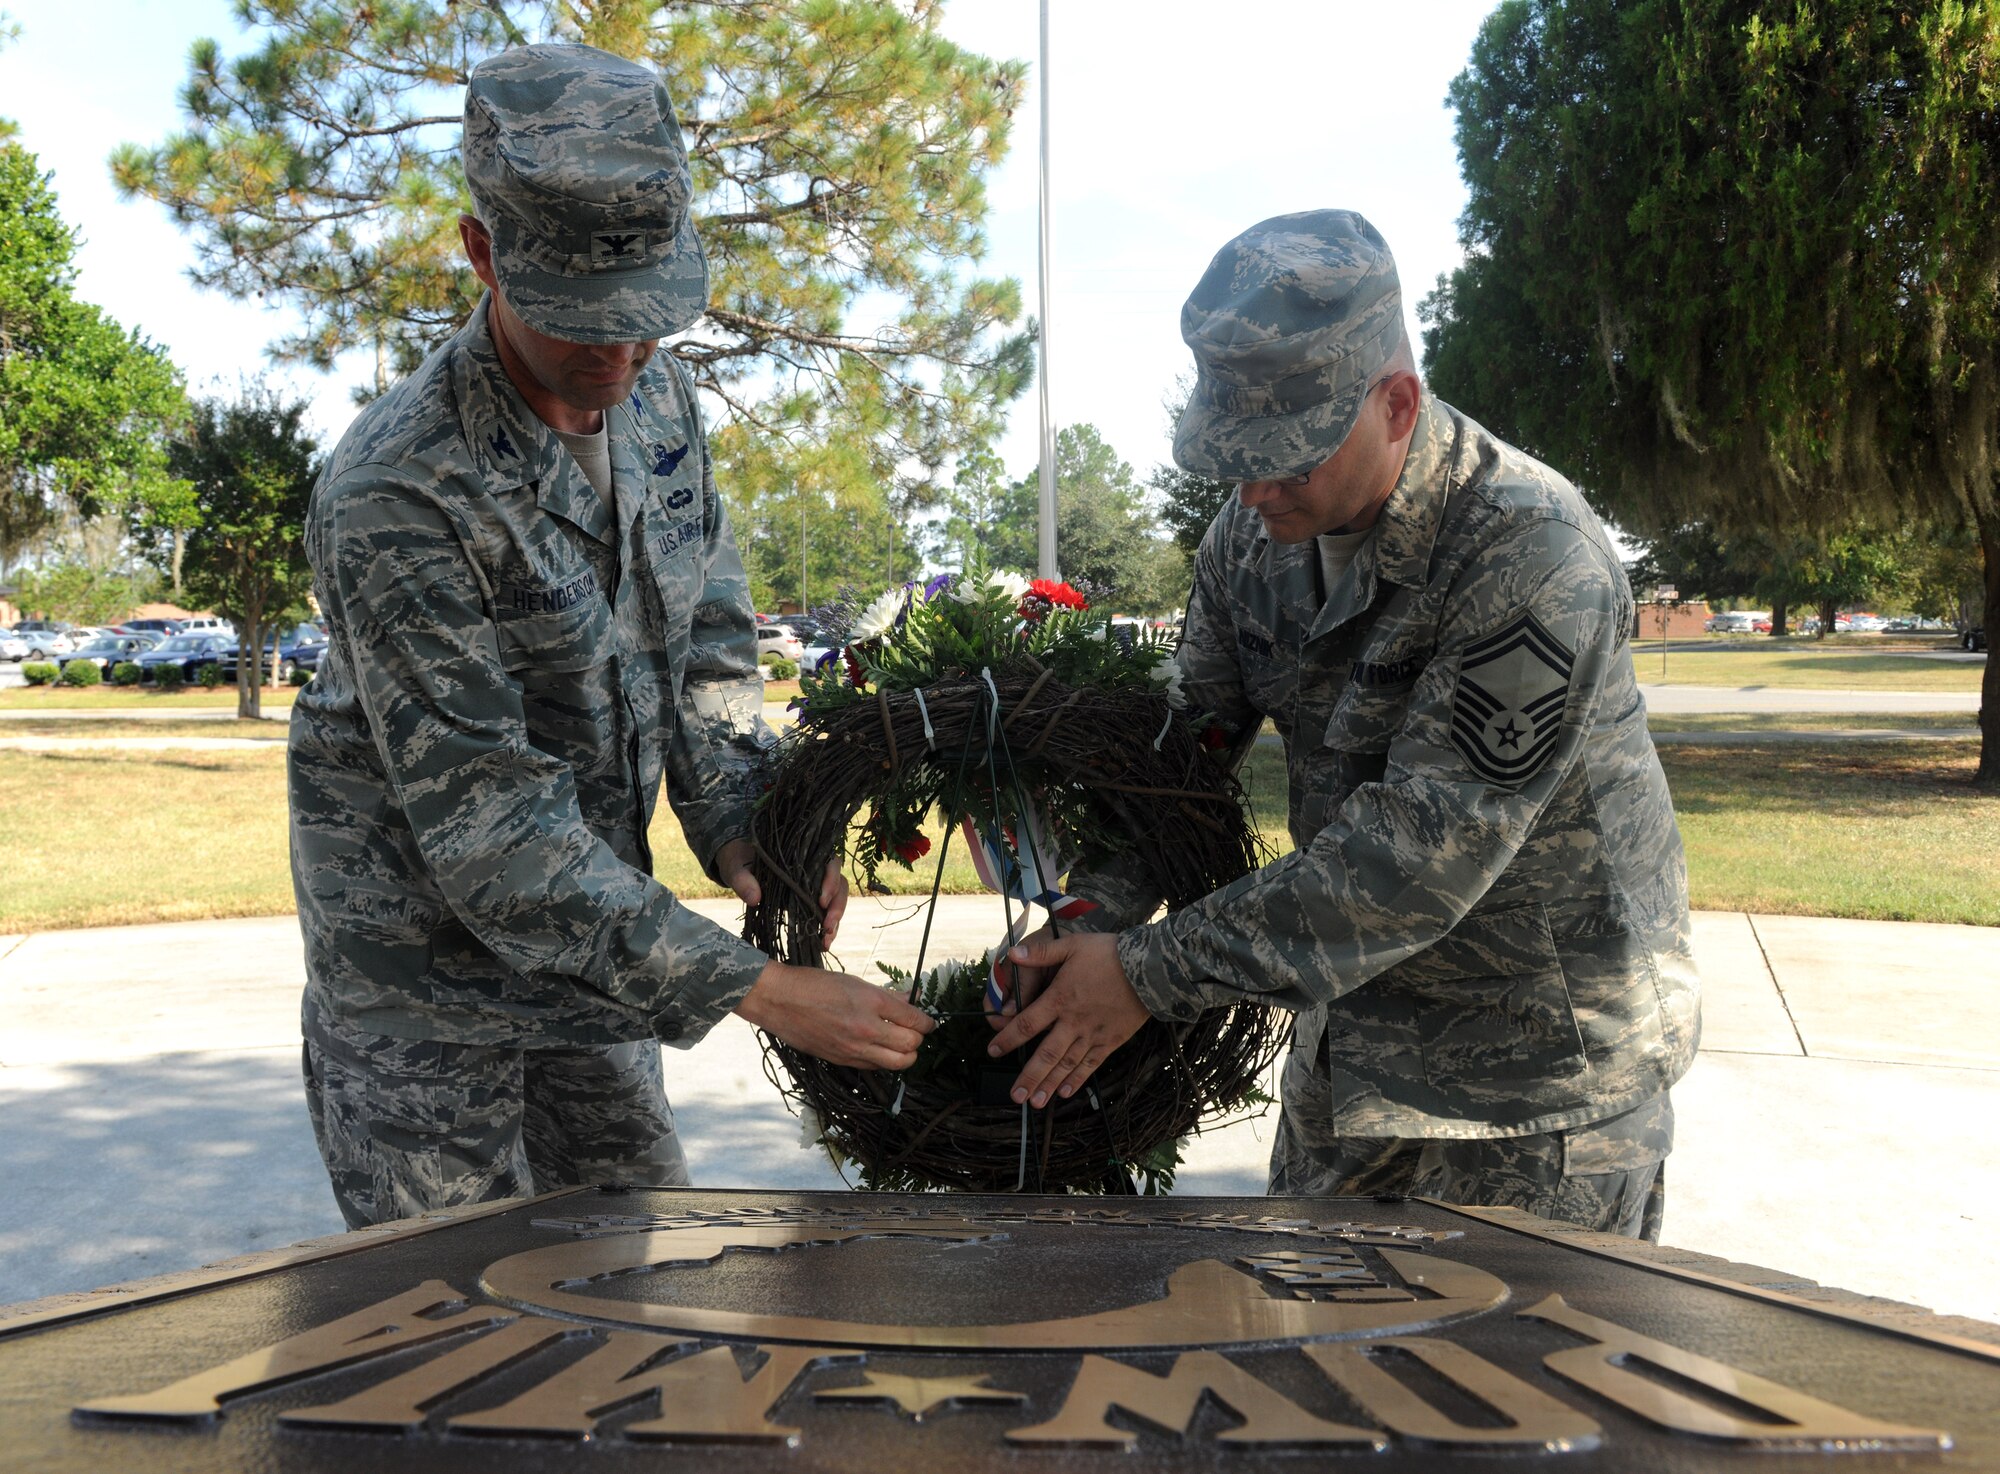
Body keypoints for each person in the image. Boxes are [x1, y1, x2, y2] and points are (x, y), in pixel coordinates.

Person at [288, 43, 932, 1230]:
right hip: (422, 990)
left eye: (644, 318)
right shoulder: (396, 488)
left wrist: (749, 828)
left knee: (647, 1274)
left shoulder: (662, 406)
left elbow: (709, 652)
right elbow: (492, 833)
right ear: (481, 253)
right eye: (580, 317)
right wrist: (757, 989)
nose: (618, 356)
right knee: (447, 1332)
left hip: (591, 963)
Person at [989, 210, 1699, 1240]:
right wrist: (1082, 924)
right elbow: (1182, 753)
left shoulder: (1527, 552)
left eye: (1287, 455)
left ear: (1396, 403)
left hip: (1534, 1101)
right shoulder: (1250, 538)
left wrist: (1143, 976)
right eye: (1230, 455)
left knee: (1508, 1399)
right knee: (1304, 1389)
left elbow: (1412, 858)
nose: (1251, 487)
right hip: (1348, 1076)